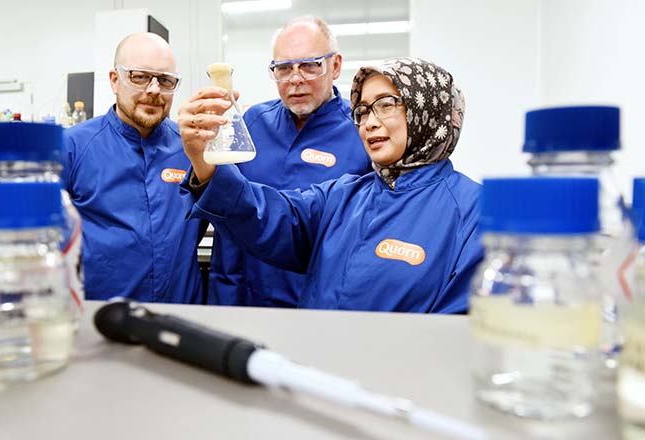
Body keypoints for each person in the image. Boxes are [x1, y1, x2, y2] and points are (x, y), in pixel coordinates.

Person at [178, 57, 481, 313]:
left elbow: (458, 328)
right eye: (362, 110)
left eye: (386, 105)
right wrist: (202, 159)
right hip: (314, 369)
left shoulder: (473, 213)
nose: (370, 122)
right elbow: (268, 215)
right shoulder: (345, 195)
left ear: (429, 112)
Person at [209, 16, 372, 308]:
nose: (295, 79)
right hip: (249, 302)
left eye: (310, 65)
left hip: (319, 306)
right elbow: (228, 220)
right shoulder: (252, 124)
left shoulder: (364, 132)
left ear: (335, 66)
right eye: (283, 69)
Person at [63, 32, 203, 302]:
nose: (153, 90)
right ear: (115, 80)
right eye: (139, 76)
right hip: (101, 318)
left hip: (181, 317)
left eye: (165, 80)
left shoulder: (192, 149)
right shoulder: (72, 148)